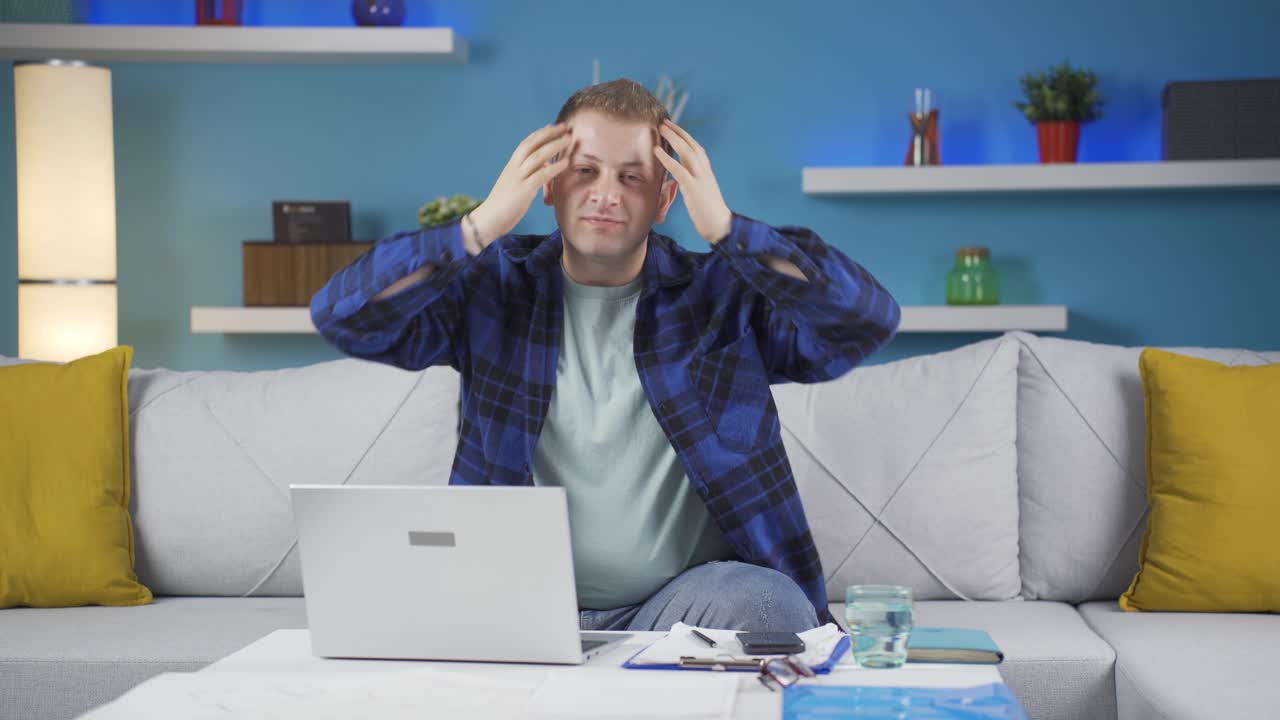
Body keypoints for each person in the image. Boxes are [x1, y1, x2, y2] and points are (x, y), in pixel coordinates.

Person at [312, 78, 900, 633]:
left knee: (774, 607)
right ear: (546, 184)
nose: (605, 195)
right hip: (514, 600)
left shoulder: (721, 293)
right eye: (585, 171)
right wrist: (479, 226)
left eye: (633, 178)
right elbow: (344, 314)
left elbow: (865, 320)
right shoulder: (491, 285)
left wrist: (728, 230)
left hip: (681, 610)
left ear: (666, 197)